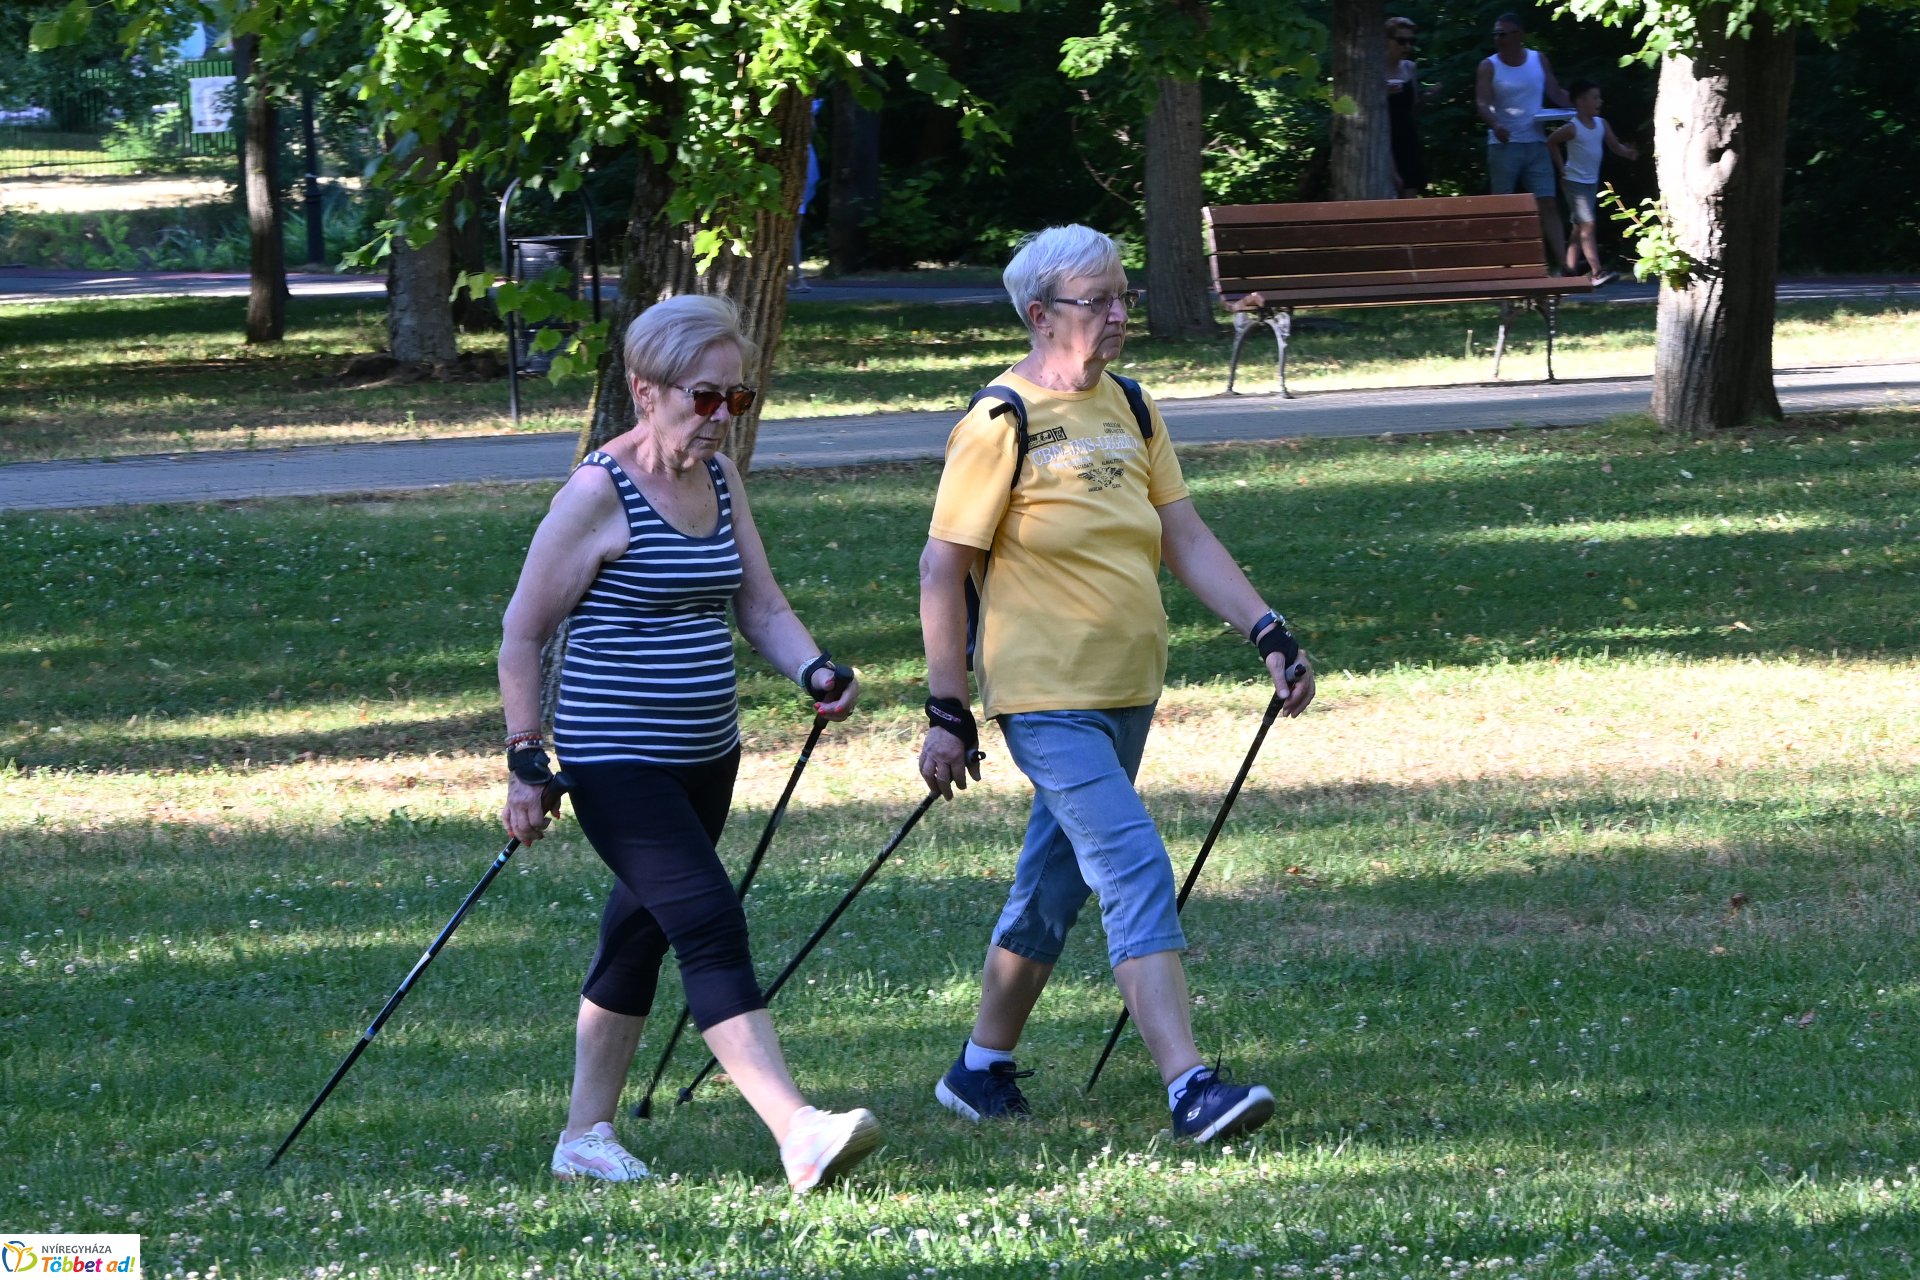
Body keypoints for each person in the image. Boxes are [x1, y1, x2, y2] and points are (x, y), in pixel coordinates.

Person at [915, 225, 1317, 1143]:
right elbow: (943, 568)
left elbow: (1184, 533)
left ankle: (980, 1070)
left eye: (1122, 297)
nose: (1117, 315)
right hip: (1042, 693)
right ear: (1039, 314)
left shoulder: (1131, 406)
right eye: (1097, 300)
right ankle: (1189, 1086)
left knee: (1053, 884)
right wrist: (947, 707)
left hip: (1128, 687)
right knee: (1132, 864)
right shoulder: (998, 422)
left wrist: (1265, 627)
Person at [497, 293, 882, 1193]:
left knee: (640, 934)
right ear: (645, 390)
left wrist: (814, 671)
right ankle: (797, 1131)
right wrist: (526, 755)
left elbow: (760, 604)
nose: (720, 418)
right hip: (615, 757)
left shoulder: (719, 480)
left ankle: (584, 1136)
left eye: (735, 400)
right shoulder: (596, 493)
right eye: (703, 398)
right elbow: (523, 632)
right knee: (708, 920)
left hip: (707, 753)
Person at [1475, 12, 1573, 269]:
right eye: (1495, 34)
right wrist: (1495, 125)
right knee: (1503, 206)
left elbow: (1555, 92)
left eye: (1504, 34)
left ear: (1519, 35)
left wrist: (1580, 106)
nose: (1499, 39)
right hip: (1504, 145)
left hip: (1537, 143)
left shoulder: (1537, 60)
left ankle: (1564, 264)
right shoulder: (1489, 66)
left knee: (1548, 202)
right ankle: (1504, 264)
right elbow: (1482, 102)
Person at [1547, 79, 1639, 283]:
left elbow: (1615, 146)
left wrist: (1628, 153)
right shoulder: (1573, 127)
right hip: (1573, 182)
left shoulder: (1601, 124)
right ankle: (1597, 272)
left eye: (1599, 97)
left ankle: (1568, 270)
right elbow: (1551, 142)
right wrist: (1561, 168)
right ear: (1580, 102)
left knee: (1579, 227)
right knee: (1588, 224)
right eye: (1595, 97)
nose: (1600, 101)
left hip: (1590, 182)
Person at [1384, 16, 1428, 198]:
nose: (1407, 46)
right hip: (1385, 139)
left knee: (1410, 196)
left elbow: (1413, 109)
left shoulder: (1410, 68)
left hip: (1407, 139)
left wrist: (1426, 98)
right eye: (1401, 41)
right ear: (1386, 41)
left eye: (1411, 41)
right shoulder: (1373, 71)